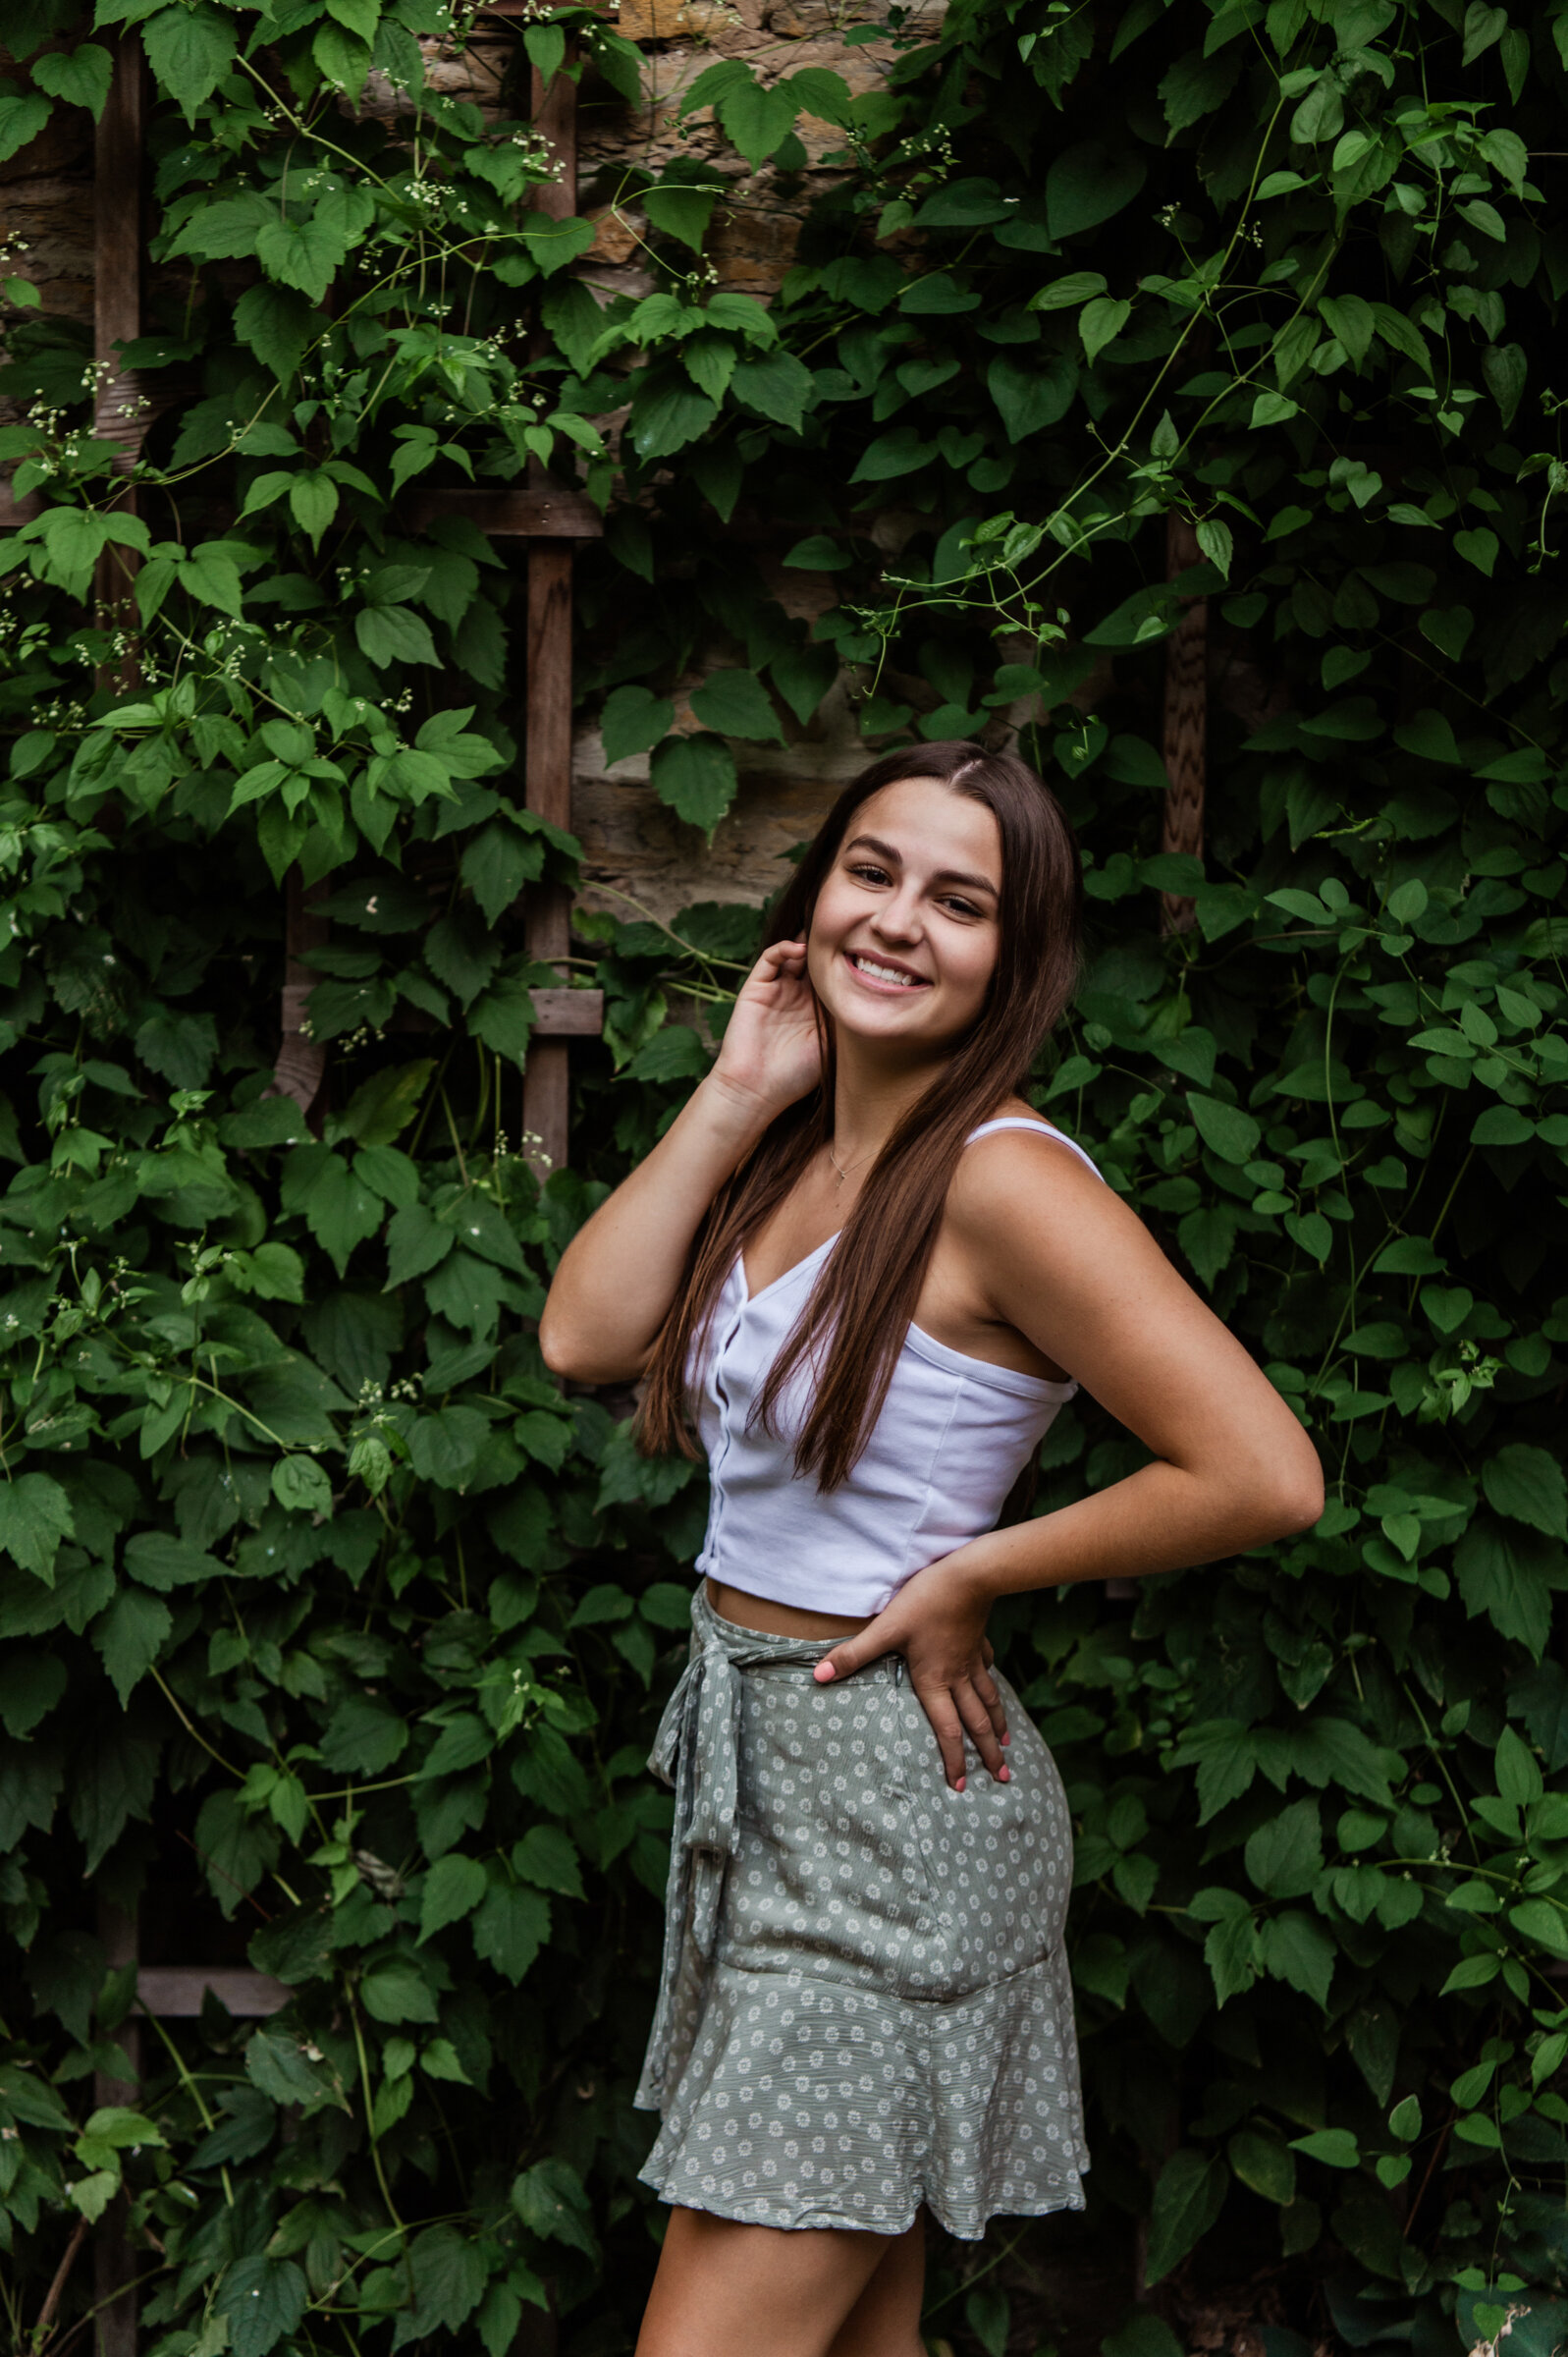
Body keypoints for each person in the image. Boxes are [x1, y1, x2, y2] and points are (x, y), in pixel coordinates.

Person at [539, 741, 1324, 2357]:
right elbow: (582, 1335)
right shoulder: (794, 1148)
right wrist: (738, 1087)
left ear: (1015, 957)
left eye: (957, 902)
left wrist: (969, 1572)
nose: (898, 923)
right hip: (760, 1779)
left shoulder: (1008, 1184)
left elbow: (1261, 1472)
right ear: (812, 894)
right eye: (871, 873)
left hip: (894, 1819)